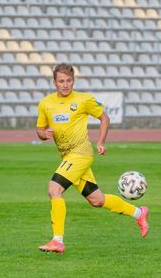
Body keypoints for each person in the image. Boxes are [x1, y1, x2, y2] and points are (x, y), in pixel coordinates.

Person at [36, 63, 149, 253]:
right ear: (54, 82)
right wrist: (43, 135)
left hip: (80, 153)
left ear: (73, 81)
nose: (65, 84)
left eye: (69, 80)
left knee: (54, 189)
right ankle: (139, 213)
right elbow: (39, 129)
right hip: (67, 156)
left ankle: (57, 240)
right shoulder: (45, 103)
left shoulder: (83, 99)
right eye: (61, 81)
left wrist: (101, 141)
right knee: (97, 200)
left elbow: (104, 118)